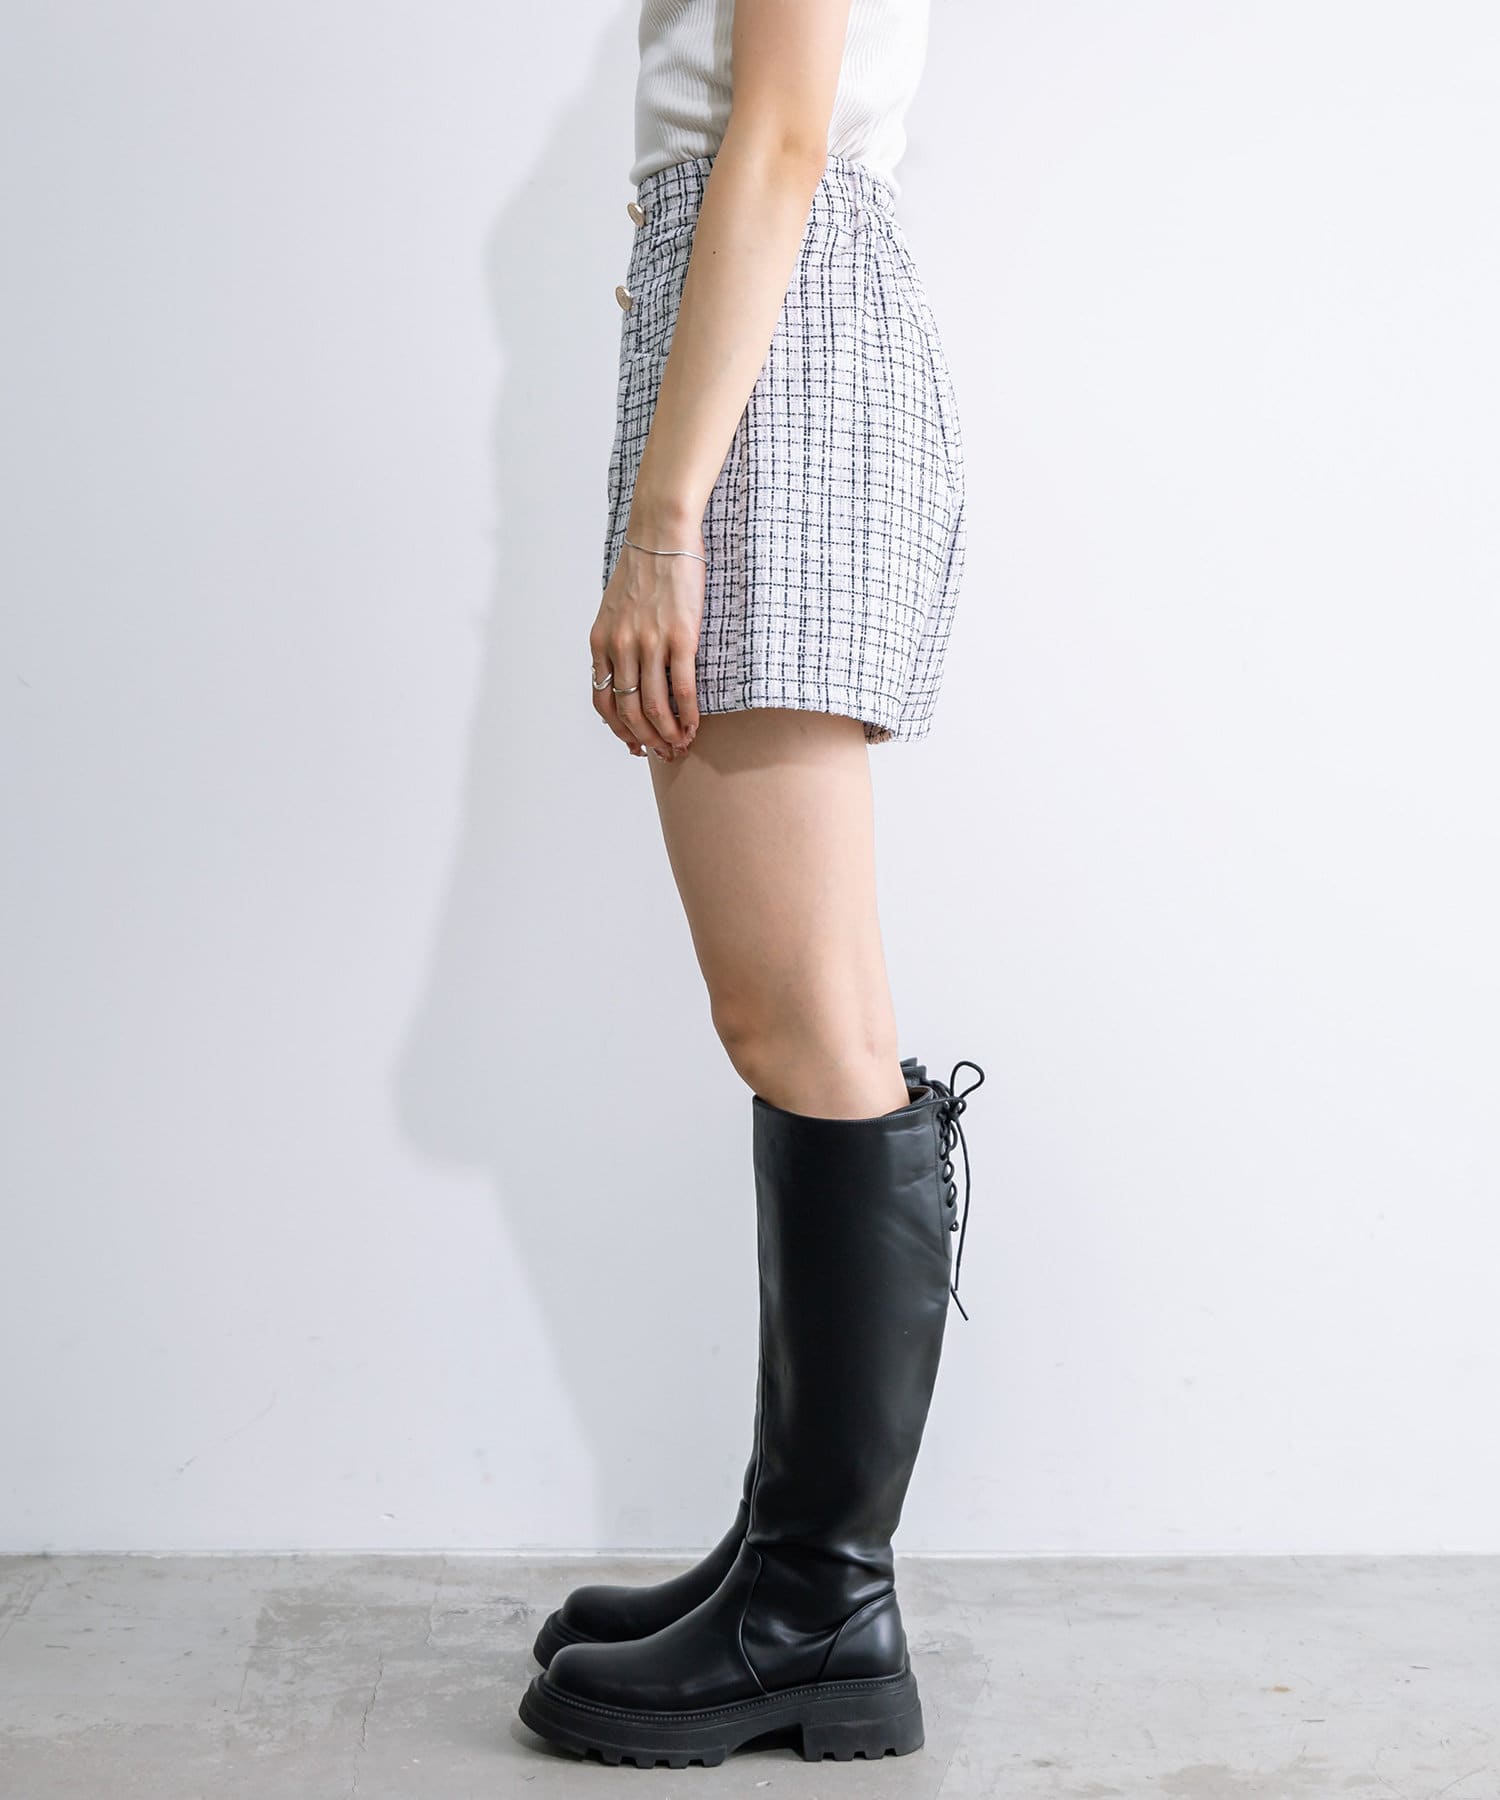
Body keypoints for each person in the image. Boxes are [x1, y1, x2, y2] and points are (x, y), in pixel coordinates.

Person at [518, 0, 984, 1767]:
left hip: (772, 357)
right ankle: (797, 1564)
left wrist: (663, 520)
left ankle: (821, 1602)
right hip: (767, 342)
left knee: (796, 1018)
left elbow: (778, 135)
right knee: (812, 1011)